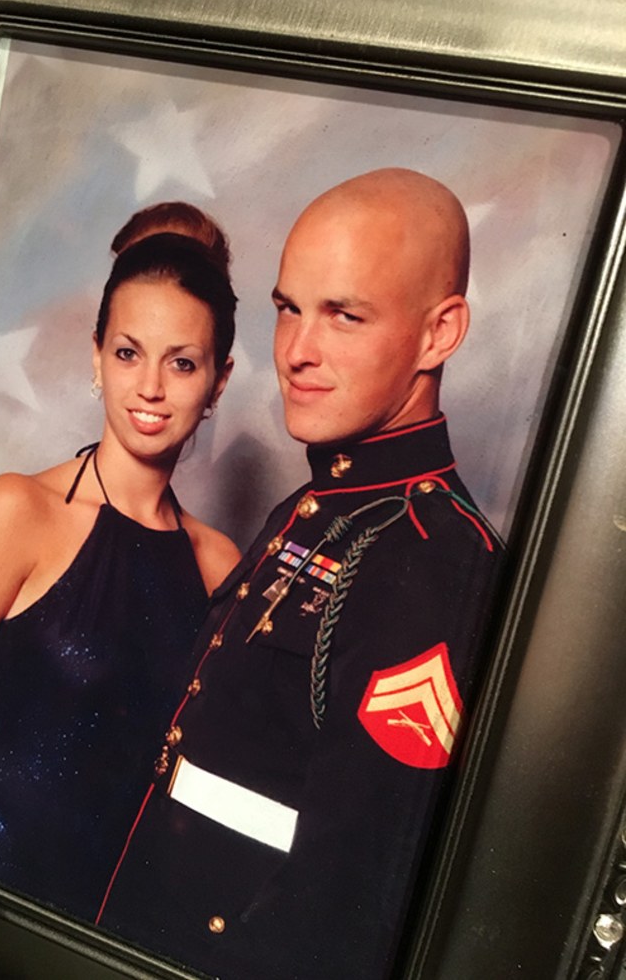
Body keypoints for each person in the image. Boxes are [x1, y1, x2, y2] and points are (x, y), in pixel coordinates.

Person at [95, 169, 504, 979]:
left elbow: (341, 899)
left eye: (344, 315)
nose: (298, 352)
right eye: (288, 308)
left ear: (440, 331)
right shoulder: (319, 504)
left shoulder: (431, 555)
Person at [0, 205, 241, 922]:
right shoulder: (19, 509)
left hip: (118, 913)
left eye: (181, 362)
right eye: (128, 352)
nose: (150, 386)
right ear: (96, 356)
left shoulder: (220, 564)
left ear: (218, 380)